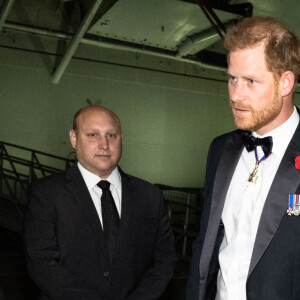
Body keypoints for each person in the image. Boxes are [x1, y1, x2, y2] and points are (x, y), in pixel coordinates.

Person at [186, 16, 300, 300]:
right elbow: (205, 243)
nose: (236, 95)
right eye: (232, 78)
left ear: (285, 82)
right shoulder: (220, 149)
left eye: (251, 81)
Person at [23, 105, 176, 300]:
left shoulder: (150, 196)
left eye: (112, 135)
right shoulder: (46, 194)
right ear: (73, 138)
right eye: (93, 135)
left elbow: (164, 260)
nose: (104, 144)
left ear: (122, 138)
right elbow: (41, 262)